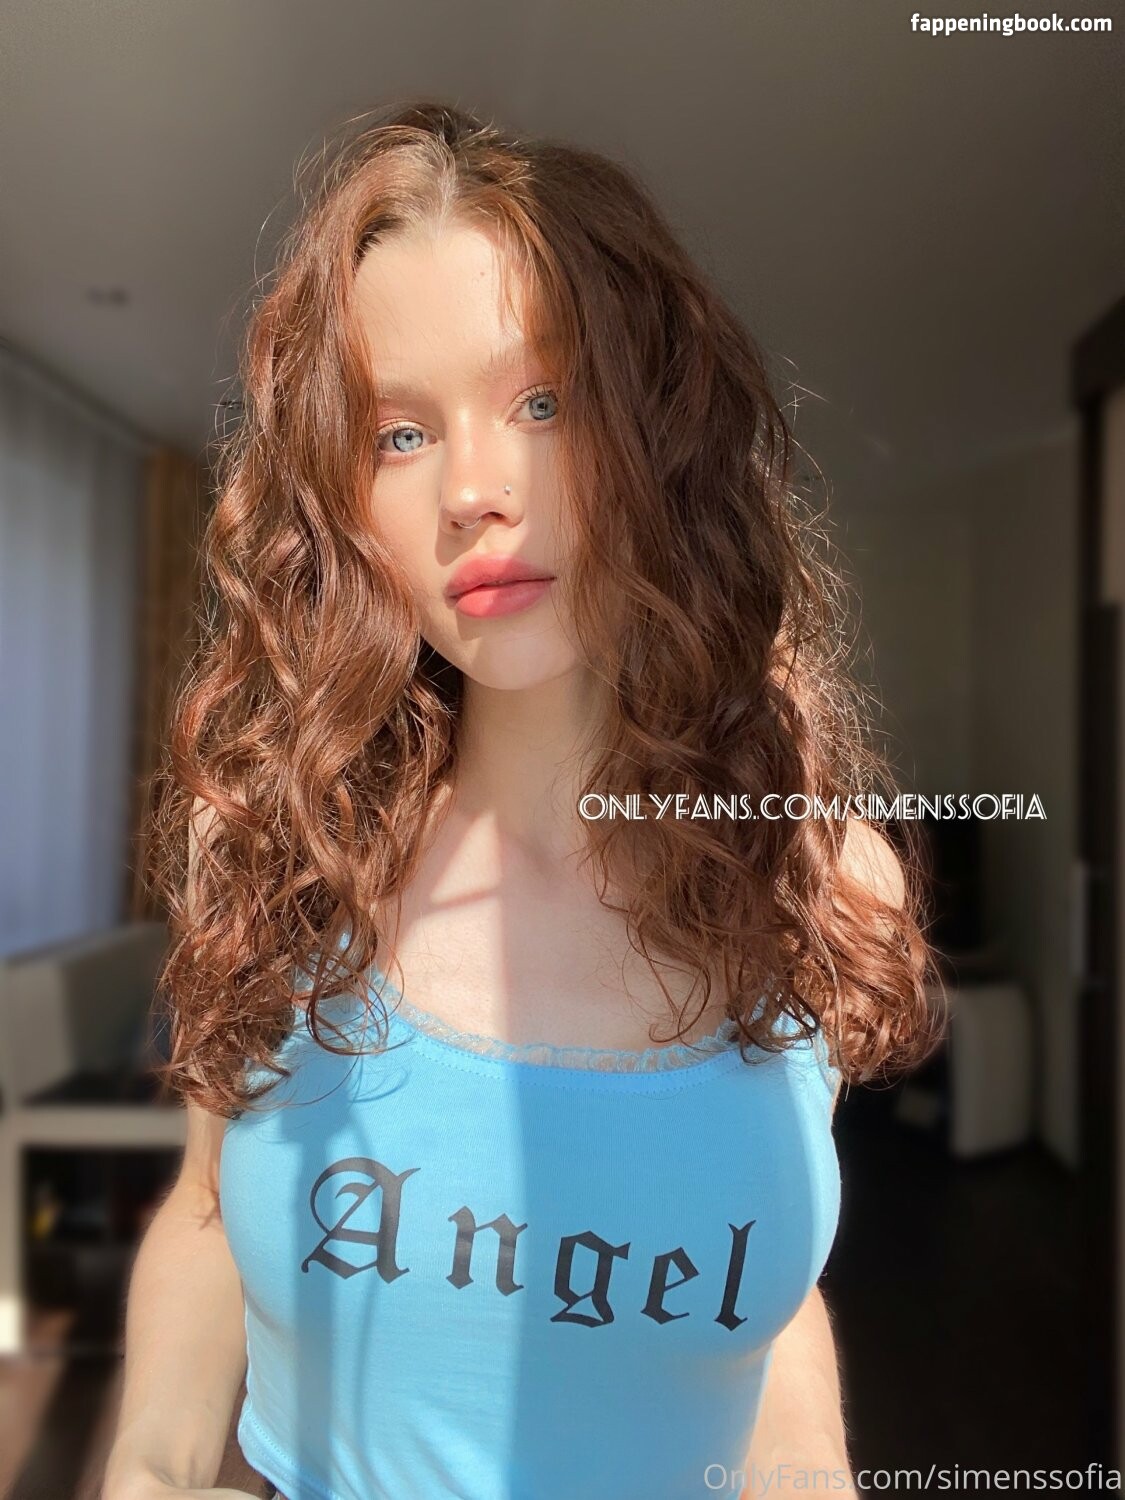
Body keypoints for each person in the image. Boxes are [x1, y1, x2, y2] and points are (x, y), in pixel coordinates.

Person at [102, 100, 943, 1500]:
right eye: (398, 433)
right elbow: (205, 1212)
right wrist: (147, 1460)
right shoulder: (273, 854)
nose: (474, 491)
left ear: (656, 433)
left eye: (543, 402)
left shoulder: (812, 878)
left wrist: (812, 1471)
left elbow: (755, 1293)